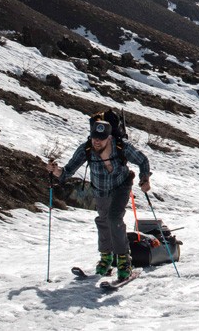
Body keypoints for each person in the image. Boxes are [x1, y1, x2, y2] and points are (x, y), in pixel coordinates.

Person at [46, 117, 150, 281]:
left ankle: (124, 261)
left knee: (114, 218)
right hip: (100, 189)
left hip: (121, 186)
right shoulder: (86, 149)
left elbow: (142, 160)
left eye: (101, 138)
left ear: (109, 137)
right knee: (103, 220)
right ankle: (106, 258)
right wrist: (55, 171)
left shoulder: (121, 147)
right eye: (94, 137)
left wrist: (145, 179)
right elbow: (67, 171)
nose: (97, 141)